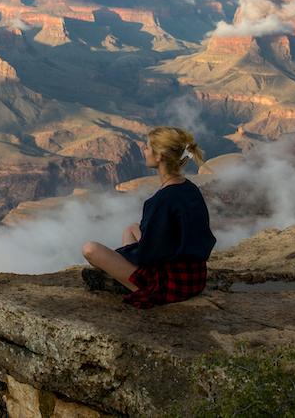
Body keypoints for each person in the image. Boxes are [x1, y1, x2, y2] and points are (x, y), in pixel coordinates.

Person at [81, 126, 216, 308]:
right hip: (195, 277)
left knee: (90, 249)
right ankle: (124, 278)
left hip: (172, 285)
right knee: (131, 228)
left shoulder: (162, 200)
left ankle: (128, 285)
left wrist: (116, 257)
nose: (144, 150)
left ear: (159, 156)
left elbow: (150, 255)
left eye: (147, 147)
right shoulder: (190, 188)